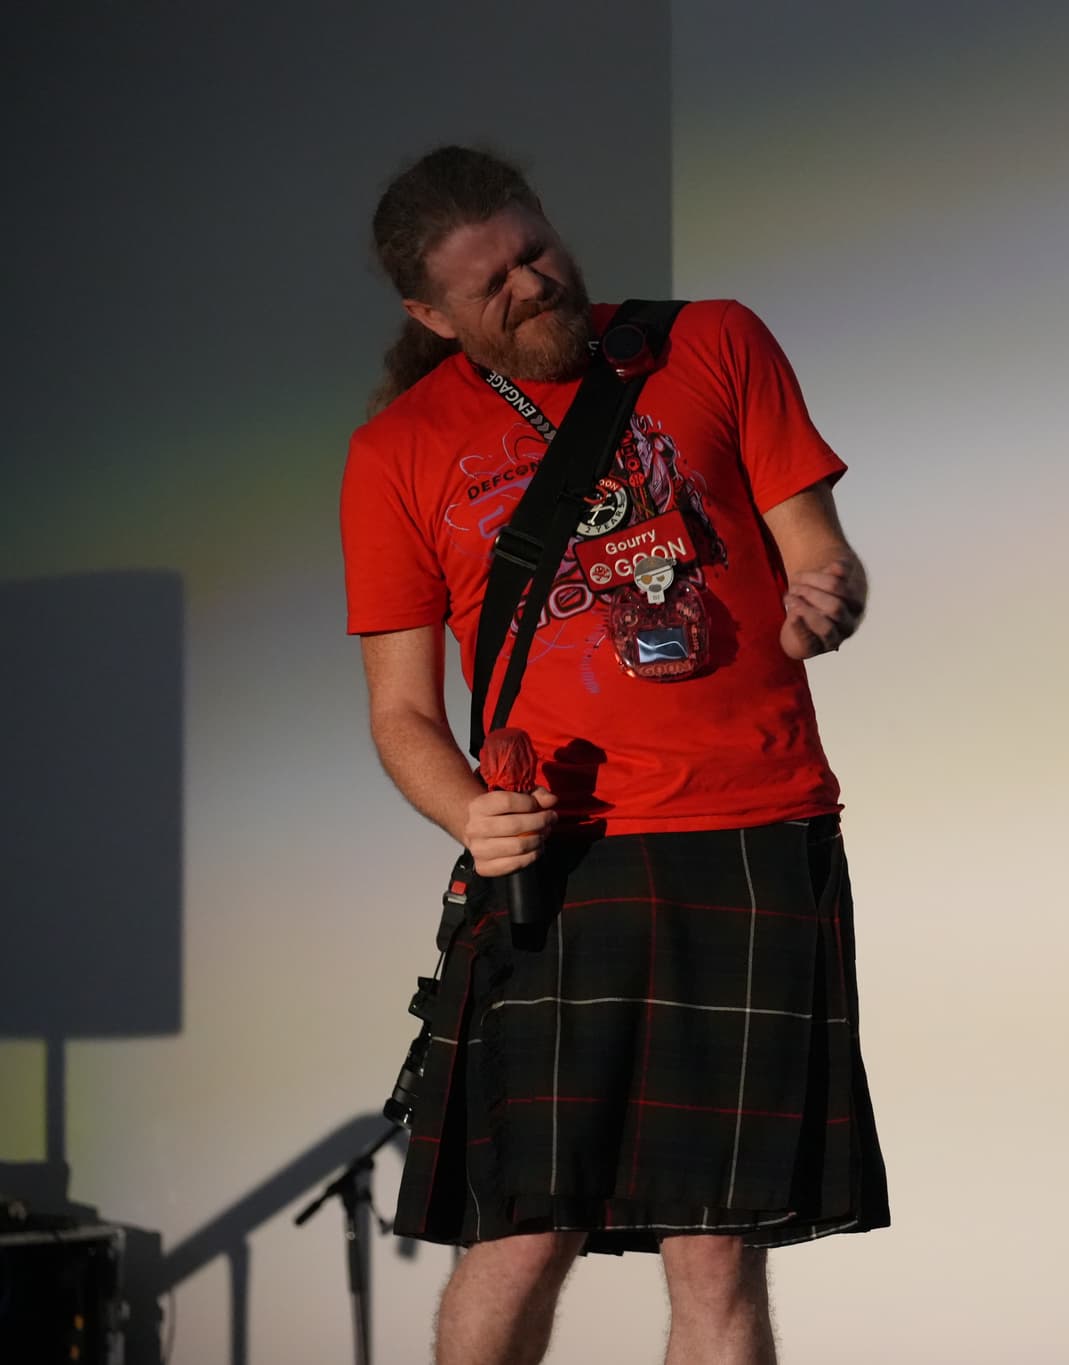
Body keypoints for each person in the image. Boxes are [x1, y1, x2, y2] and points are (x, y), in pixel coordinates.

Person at [340, 145, 888, 1365]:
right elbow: (401, 716)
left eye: (533, 250)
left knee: (718, 1246)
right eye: (491, 286)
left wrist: (826, 593)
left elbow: (817, 551)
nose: (532, 285)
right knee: (526, 1231)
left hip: (754, 832)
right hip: (561, 860)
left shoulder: (713, 343)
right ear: (431, 316)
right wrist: (465, 815)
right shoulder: (396, 455)